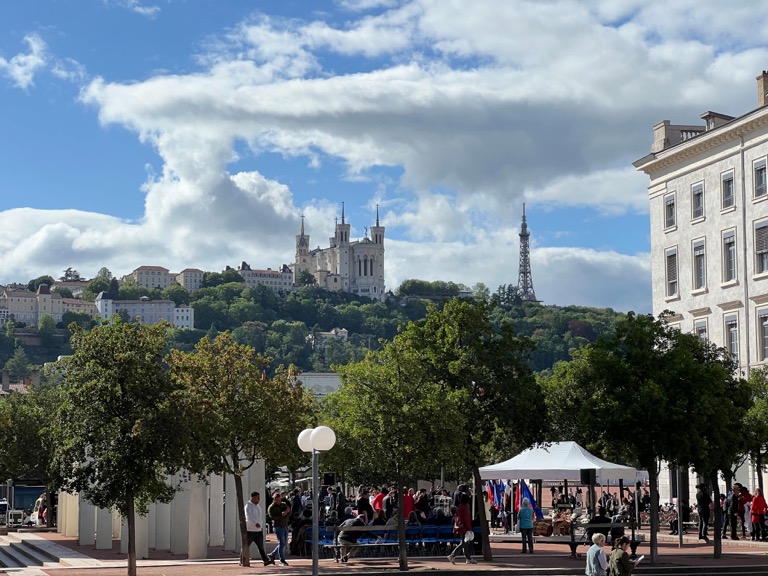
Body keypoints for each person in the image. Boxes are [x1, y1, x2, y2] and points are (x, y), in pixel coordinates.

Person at [244, 492, 272, 566]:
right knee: (246, 546)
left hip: (258, 530)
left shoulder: (258, 506)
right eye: (257, 497)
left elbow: (259, 517)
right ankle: (242, 559)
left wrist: (261, 525)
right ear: (253, 498)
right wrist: (254, 523)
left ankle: (265, 560)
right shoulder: (248, 506)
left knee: (261, 547)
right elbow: (248, 517)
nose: (259, 499)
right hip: (250, 530)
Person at [447, 493, 476, 565]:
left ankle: (468, 558)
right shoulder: (466, 507)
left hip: (460, 526)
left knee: (465, 542)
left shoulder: (459, 507)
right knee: (464, 543)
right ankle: (453, 555)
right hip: (465, 527)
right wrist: (469, 527)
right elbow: (466, 518)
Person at [267, 491, 292, 566]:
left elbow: (288, 512)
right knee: (282, 543)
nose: (278, 501)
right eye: (277, 500)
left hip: (284, 525)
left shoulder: (283, 504)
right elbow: (272, 517)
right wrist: (282, 515)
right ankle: (282, 560)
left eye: (279, 500)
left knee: (283, 543)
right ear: (274, 499)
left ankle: (272, 554)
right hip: (278, 526)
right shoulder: (271, 507)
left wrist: (288, 511)